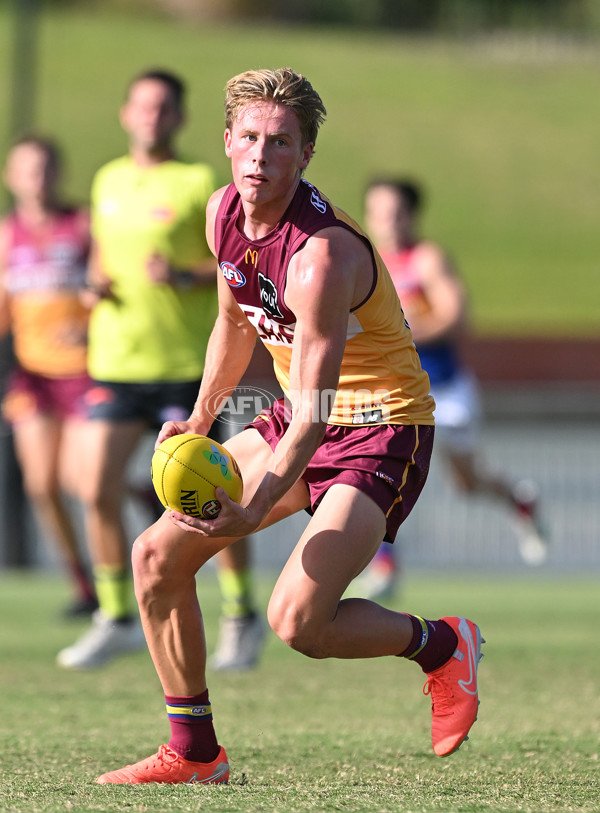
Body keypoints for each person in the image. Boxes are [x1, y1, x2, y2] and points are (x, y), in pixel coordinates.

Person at [95, 67, 484, 786]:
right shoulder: (221, 213)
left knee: (298, 621)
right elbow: (232, 323)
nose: (259, 156)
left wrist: (255, 499)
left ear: (305, 155)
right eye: (248, 138)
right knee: (156, 556)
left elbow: (315, 410)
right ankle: (195, 751)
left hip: (381, 428)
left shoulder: (321, 256)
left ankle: (441, 646)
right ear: (226, 141)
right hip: (298, 415)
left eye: (280, 143)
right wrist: (199, 421)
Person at [56, 68, 250, 669]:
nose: (152, 116)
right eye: (142, 106)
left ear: (180, 118)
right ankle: (114, 615)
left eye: (164, 107)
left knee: (213, 496)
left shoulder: (198, 183)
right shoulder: (107, 179)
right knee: (94, 488)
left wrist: (186, 276)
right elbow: (98, 255)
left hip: (183, 367)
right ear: (125, 113)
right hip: (116, 360)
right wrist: (91, 288)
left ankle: (240, 617)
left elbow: (233, 268)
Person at [360, 177, 549, 599]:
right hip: (397, 395)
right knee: (377, 467)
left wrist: (404, 332)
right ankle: (384, 564)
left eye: (396, 212)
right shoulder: (368, 262)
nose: (387, 222)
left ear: (411, 214)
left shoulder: (425, 259)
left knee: (466, 483)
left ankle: (520, 501)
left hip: (444, 393)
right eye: (378, 213)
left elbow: (457, 317)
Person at [0, 136, 97, 618]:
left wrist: (86, 316)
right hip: (31, 377)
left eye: (45, 168)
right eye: (27, 169)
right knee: (41, 485)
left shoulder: (81, 226)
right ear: (10, 177)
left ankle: (139, 504)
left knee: (81, 482)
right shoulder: (5, 236)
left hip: (83, 373)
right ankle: (84, 586)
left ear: (58, 173)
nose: (37, 178)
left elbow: (105, 287)